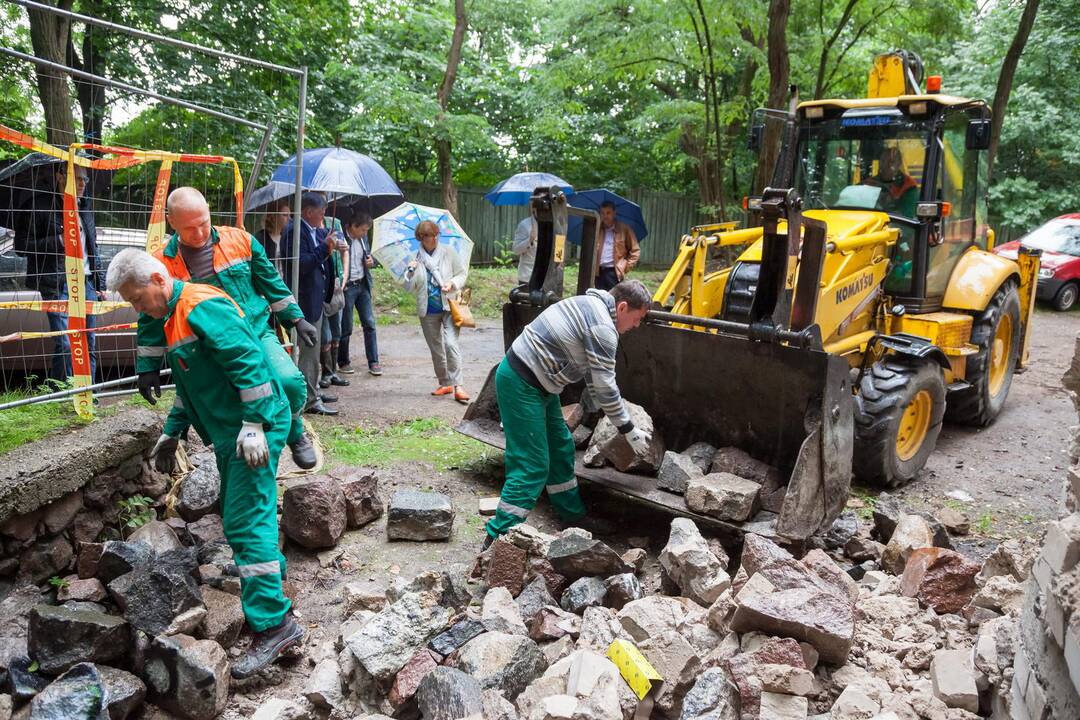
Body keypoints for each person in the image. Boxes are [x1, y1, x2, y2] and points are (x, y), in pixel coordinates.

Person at [107, 248, 304, 679]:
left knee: (245, 520)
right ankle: (274, 579)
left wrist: (254, 423)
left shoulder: (200, 307)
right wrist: (172, 430)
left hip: (251, 429)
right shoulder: (174, 315)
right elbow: (193, 383)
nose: (137, 309)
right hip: (230, 432)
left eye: (137, 299)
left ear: (158, 280)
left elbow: (250, 364)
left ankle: (275, 624)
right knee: (242, 520)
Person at [135, 187, 319, 468]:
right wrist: (148, 365)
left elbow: (270, 281)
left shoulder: (241, 240)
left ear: (209, 212)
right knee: (219, 399)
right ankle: (233, 463)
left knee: (289, 382)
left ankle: (295, 431)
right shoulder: (160, 263)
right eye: (189, 228)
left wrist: (296, 318)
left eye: (203, 224)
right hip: (202, 344)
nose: (198, 234)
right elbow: (150, 316)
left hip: (254, 331)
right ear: (171, 222)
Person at [482, 279, 653, 548]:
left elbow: (594, 379)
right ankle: (498, 541)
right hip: (522, 382)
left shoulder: (590, 304)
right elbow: (606, 386)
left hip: (540, 383)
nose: (636, 326)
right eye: (637, 318)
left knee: (561, 447)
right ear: (622, 307)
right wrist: (628, 429)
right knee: (532, 465)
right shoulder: (602, 328)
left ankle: (573, 518)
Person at [16, 164, 104, 382]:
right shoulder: (38, 206)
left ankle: (87, 392)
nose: (83, 184)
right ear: (60, 177)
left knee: (87, 341)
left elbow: (93, 246)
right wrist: (59, 241)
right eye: (78, 179)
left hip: (86, 282)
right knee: (65, 342)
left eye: (85, 180)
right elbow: (21, 246)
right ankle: (63, 393)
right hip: (56, 282)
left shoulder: (84, 207)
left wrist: (100, 284)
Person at [281, 192, 339, 416]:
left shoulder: (315, 230)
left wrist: (329, 247)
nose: (324, 215)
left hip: (317, 298)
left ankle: (313, 391)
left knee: (314, 352)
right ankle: (308, 400)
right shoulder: (294, 232)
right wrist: (325, 248)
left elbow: (321, 261)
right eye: (321, 211)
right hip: (305, 300)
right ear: (308, 212)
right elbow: (302, 265)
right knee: (309, 352)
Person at [403, 220, 469, 402]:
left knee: (450, 343)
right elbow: (408, 287)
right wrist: (410, 271)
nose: (431, 240)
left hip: (450, 305)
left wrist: (452, 283)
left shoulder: (448, 252)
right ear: (420, 238)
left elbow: (462, 274)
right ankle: (445, 382)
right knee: (436, 348)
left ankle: (459, 386)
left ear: (437, 235)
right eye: (426, 237)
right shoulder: (415, 257)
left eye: (433, 236)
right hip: (428, 309)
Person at [338, 208, 381, 376]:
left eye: (366, 231)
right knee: (346, 326)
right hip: (348, 286)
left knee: (369, 323)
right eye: (363, 230)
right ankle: (343, 361)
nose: (365, 233)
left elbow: (370, 258)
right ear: (353, 226)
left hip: (363, 285)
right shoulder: (341, 239)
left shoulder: (363, 240)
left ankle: (374, 361)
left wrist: (372, 261)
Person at [593, 200, 640, 291]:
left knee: (614, 298)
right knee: (599, 299)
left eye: (608, 213)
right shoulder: (597, 228)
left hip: (613, 272)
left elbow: (635, 250)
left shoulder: (624, 229)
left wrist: (625, 267)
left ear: (614, 213)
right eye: (602, 213)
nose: (605, 216)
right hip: (598, 272)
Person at [864, 145, 919, 218]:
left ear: (899, 164)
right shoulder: (869, 183)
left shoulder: (909, 186)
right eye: (883, 161)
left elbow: (907, 216)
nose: (886, 165)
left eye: (891, 162)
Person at [253, 198, 290, 275]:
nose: (289, 219)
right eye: (285, 215)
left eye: (290, 215)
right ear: (273, 216)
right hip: (269, 282)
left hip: (286, 284)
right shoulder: (260, 238)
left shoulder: (289, 237)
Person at [512, 211, 537, 286]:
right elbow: (516, 250)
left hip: (548, 277)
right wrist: (530, 239)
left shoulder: (555, 224)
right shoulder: (525, 225)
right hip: (528, 276)